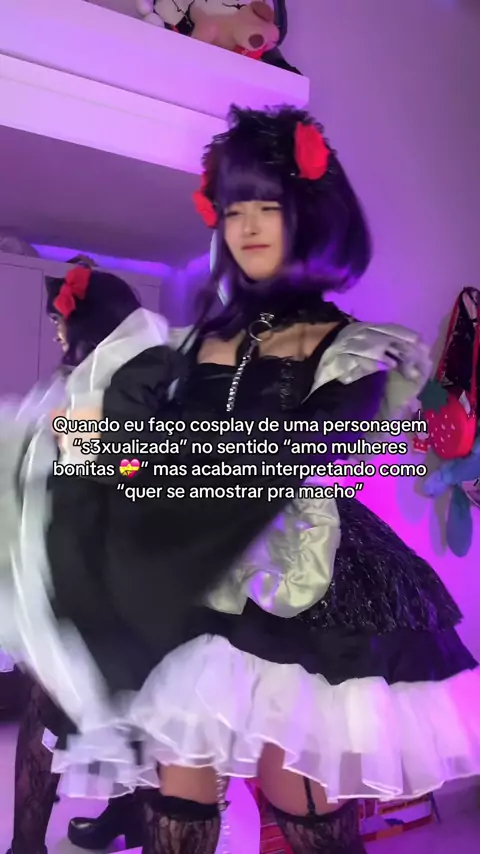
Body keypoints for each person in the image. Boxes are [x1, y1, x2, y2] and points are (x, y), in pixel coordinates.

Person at [4, 106, 480, 854]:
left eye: (268, 206)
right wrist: (84, 448)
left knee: (302, 804)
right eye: (233, 210)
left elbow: (296, 451)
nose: (247, 226)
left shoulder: (354, 347)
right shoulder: (195, 342)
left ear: (310, 214)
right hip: (184, 571)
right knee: (179, 791)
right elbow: (137, 452)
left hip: (300, 575)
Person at [2, 268, 163, 854]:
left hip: (117, 571)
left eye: (60, 319)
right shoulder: (77, 379)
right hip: (78, 564)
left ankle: (36, 842)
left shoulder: (137, 376)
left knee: (121, 705)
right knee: (76, 701)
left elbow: (137, 468)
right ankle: (54, 835)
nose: (56, 332)